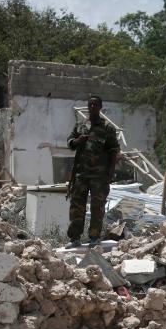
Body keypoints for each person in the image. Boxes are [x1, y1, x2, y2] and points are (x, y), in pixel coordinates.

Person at [65, 96, 120, 248]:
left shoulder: (107, 128)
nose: (92, 106)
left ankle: (94, 237)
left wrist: (111, 173)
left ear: (100, 107)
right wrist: (78, 141)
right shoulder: (80, 126)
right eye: (90, 104)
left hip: (99, 176)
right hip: (81, 175)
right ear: (88, 106)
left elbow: (114, 151)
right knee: (77, 207)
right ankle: (74, 238)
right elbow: (70, 142)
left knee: (97, 207)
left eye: (96, 104)